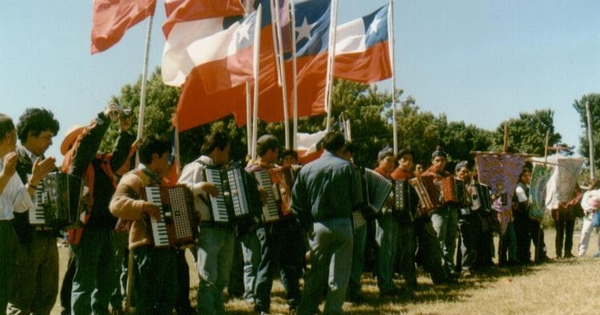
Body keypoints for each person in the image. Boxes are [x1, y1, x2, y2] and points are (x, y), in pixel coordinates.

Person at [62, 103, 135, 315]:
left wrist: (124, 131)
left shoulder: (100, 163)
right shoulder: (76, 161)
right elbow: (87, 144)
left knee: (107, 280)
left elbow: (120, 156)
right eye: (83, 136)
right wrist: (103, 119)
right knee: (84, 282)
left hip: (105, 228)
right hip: (87, 230)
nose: (91, 140)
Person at [292, 131, 360, 315]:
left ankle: (306, 309)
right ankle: (333, 310)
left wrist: (307, 226)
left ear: (322, 146)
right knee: (339, 274)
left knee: (315, 273)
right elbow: (357, 199)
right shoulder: (347, 167)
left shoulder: (307, 168)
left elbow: (296, 202)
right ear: (341, 147)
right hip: (343, 224)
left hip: (318, 225)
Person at [109, 134, 178, 314]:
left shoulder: (160, 181)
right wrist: (143, 205)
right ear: (155, 157)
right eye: (166, 157)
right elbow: (116, 204)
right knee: (148, 298)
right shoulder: (134, 178)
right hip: (146, 246)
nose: (168, 161)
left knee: (168, 295)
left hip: (165, 246)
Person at [0, 113, 55, 312]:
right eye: (14, 134)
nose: (17, 139)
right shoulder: (8, 167)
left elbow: (19, 205)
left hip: (7, 232)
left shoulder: (8, 164)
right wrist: (5, 175)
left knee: (5, 292)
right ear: (7, 136)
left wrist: (34, 181)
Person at [178, 130, 236, 315]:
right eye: (226, 151)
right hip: (207, 228)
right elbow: (178, 191)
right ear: (217, 150)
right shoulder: (195, 167)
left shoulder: (225, 170)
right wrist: (200, 186)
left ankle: (218, 310)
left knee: (223, 277)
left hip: (226, 228)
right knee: (208, 276)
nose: (227, 157)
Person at [246, 135, 303, 314]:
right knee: (268, 264)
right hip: (267, 224)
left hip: (286, 221)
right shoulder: (251, 172)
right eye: (277, 151)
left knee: (290, 263)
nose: (278, 154)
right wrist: (258, 192)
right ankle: (261, 305)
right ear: (270, 151)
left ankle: (295, 302)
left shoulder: (280, 170)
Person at [391, 149, 453, 286]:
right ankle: (411, 281)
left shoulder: (413, 176)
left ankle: (439, 276)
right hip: (406, 220)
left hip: (421, 218)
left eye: (410, 159)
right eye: (404, 159)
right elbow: (398, 203)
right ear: (399, 160)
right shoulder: (395, 176)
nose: (408, 162)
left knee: (432, 244)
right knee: (408, 250)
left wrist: (423, 207)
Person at [421, 146, 458, 276]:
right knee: (438, 241)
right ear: (432, 161)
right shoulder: (426, 176)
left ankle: (449, 267)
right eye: (437, 160)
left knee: (451, 240)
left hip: (451, 209)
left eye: (442, 160)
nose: (440, 163)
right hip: (436, 211)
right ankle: (435, 268)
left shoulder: (449, 176)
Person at [373, 149, 404, 297]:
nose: (392, 164)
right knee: (384, 250)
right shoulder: (374, 175)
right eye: (388, 161)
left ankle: (389, 281)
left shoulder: (391, 178)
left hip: (392, 217)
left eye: (393, 161)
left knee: (391, 249)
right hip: (380, 218)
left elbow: (397, 200)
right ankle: (384, 284)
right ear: (380, 160)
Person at [453, 161, 480, 277]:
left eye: (467, 172)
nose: (465, 174)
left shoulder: (472, 184)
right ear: (457, 172)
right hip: (459, 215)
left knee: (468, 242)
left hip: (471, 215)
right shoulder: (455, 183)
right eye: (462, 172)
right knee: (464, 242)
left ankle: (463, 265)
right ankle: (464, 267)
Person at [552, 184, 581, 259]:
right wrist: (560, 203)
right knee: (559, 233)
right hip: (559, 211)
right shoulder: (556, 181)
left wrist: (573, 201)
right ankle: (558, 254)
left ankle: (568, 252)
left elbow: (579, 194)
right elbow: (551, 195)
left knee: (569, 233)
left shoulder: (573, 181)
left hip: (570, 212)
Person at [578, 179, 600, 257]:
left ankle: (599, 251)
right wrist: (591, 208)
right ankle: (581, 252)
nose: (591, 186)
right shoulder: (587, 194)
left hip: (599, 214)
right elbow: (583, 203)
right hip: (589, 215)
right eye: (590, 184)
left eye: (593, 184)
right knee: (585, 233)